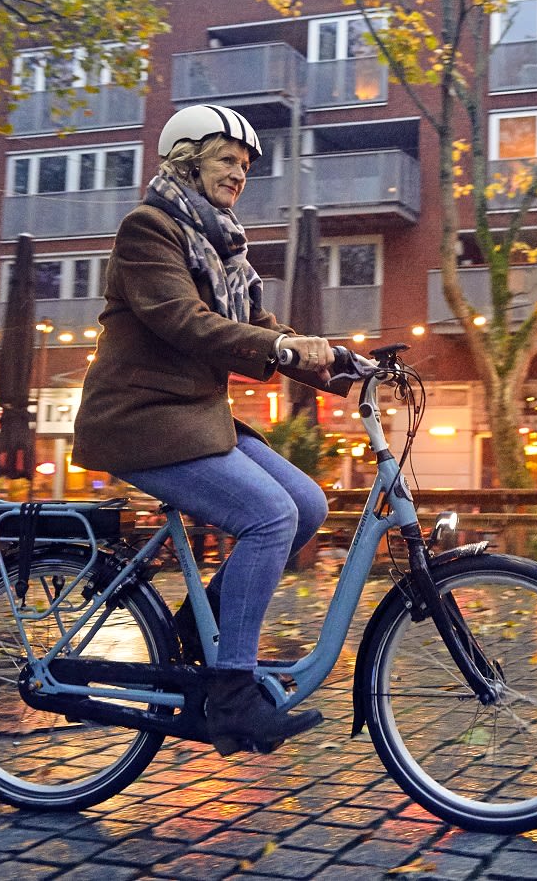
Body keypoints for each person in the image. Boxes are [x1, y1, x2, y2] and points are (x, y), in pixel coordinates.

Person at [71, 103, 337, 753]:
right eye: (228, 160)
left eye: (246, 167)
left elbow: (260, 327)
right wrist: (284, 351)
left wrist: (337, 360)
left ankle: (199, 627)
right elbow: (186, 322)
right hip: (141, 421)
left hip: (194, 418)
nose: (240, 175)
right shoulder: (149, 230)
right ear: (188, 158)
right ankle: (232, 695)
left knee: (307, 504)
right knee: (269, 516)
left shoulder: (223, 246)